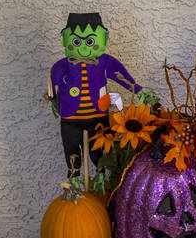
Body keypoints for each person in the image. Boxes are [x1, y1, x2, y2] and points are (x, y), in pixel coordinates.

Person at [47, 12, 160, 174]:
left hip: (97, 116)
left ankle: (100, 176)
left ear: (104, 40)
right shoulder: (61, 66)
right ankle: (73, 180)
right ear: (65, 40)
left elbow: (122, 77)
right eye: (77, 41)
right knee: (71, 148)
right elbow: (53, 85)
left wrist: (139, 91)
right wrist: (52, 98)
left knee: (99, 149)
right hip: (70, 118)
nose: (84, 47)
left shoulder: (105, 62)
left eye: (90, 41)